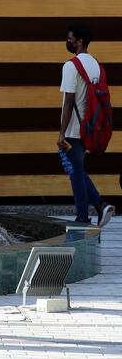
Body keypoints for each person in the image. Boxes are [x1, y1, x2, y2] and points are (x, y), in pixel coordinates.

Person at [58, 24, 115, 227]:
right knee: (78, 170)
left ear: (80, 41)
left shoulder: (71, 65)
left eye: (70, 38)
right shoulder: (96, 65)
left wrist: (61, 133)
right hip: (90, 127)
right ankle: (98, 208)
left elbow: (69, 102)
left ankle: (88, 213)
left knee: (76, 173)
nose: (68, 41)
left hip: (74, 128)